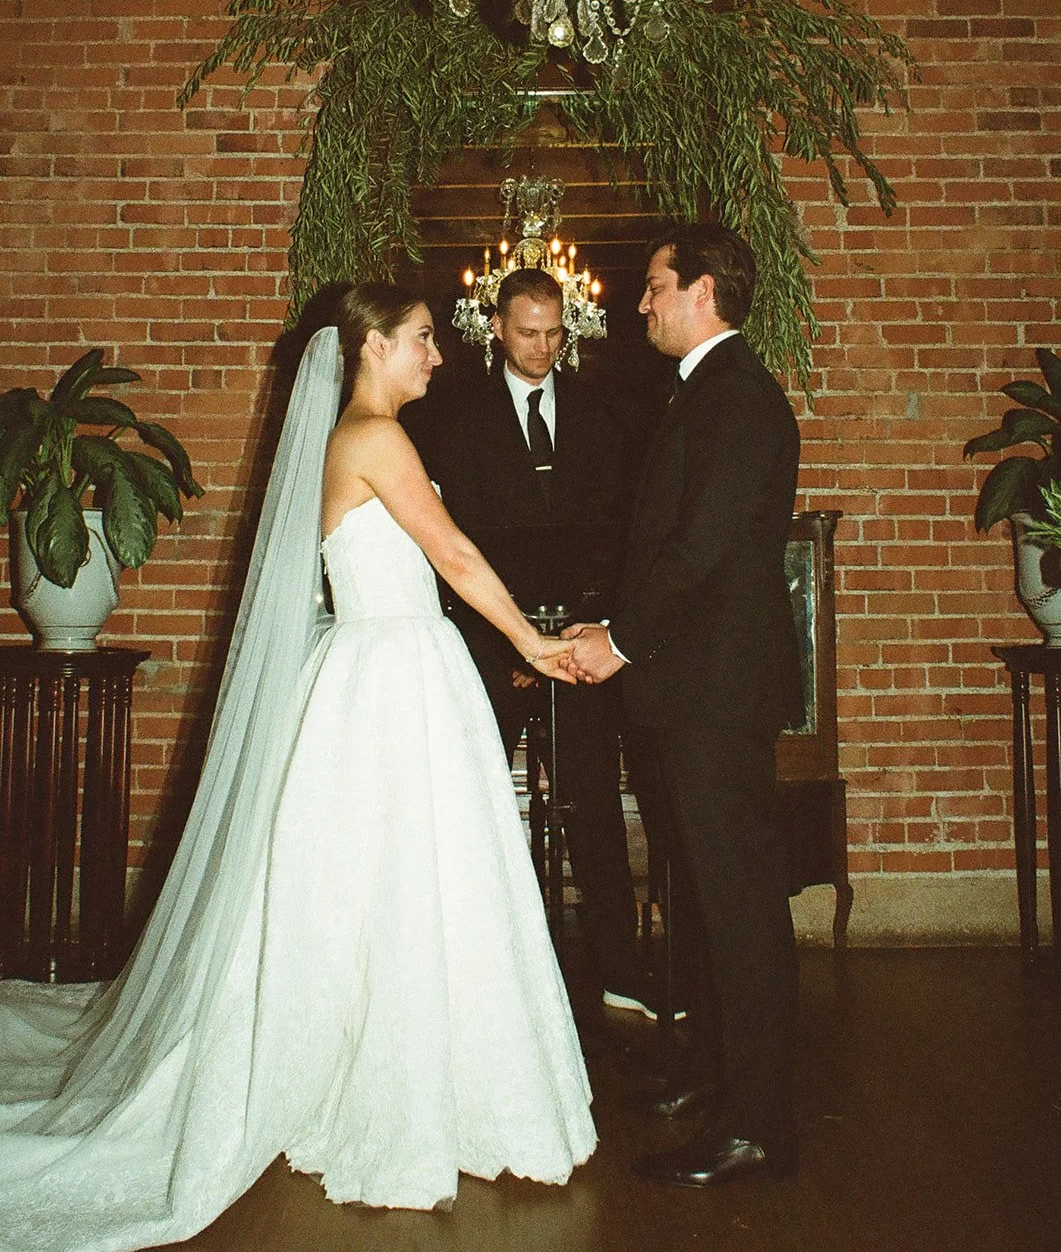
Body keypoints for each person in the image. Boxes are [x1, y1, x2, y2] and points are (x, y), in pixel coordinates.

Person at [0, 284, 596, 1251]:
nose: (436, 357)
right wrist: (532, 642)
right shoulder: (374, 438)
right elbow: (447, 551)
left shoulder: (355, 438)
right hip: (396, 673)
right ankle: (399, 1097)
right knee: (409, 884)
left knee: (379, 887)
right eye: (420, 340)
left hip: (377, 669)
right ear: (369, 348)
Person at [563, 224, 802, 1187]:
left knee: (738, 905)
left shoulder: (737, 399)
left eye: (656, 286)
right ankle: (712, 1071)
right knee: (705, 899)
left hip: (713, 694)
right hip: (689, 689)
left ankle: (758, 1125)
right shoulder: (703, 391)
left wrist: (616, 643)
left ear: (702, 290)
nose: (642, 302)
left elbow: (697, 550)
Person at [425, 268, 646, 1014]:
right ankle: (477, 979)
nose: (543, 347)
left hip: (579, 646)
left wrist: (576, 637)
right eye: (527, 333)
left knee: (593, 806)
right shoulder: (452, 417)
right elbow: (454, 550)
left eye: (555, 333)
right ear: (495, 327)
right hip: (493, 649)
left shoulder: (602, 412)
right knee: (472, 806)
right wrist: (514, 647)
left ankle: (621, 968)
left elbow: (617, 534)